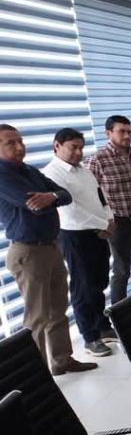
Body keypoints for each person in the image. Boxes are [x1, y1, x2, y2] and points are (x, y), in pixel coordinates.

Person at [0, 124, 97, 375]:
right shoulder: (3, 175)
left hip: (51, 247)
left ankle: (62, 360)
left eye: (20, 141)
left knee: (57, 310)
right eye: (10, 143)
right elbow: (32, 205)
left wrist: (51, 197)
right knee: (37, 317)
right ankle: (37, 375)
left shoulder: (30, 171)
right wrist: (50, 198)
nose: (19, 147)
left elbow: (65, 195)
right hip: (28, 253)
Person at [42, 128, 118, 357]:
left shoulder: (84, 171)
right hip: (75, 235)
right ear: (57, 146)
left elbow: (101, 197)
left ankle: (102, 326)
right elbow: (70, 211)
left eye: (80, 147)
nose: (78, 152)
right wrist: (102, 223)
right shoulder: (51, 174)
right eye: (73, 147)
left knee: (99, 281)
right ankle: (90, 337)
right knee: (83, 286)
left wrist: (109, 219)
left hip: (98, 232)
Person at [86, 115, 131, 304]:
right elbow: (89, 194)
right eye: (121, 131)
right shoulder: (97, 160)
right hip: (118, 224)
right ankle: (120, 315)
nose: (127, 136)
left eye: (129, 132)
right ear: (108, 133)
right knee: (122, 271)